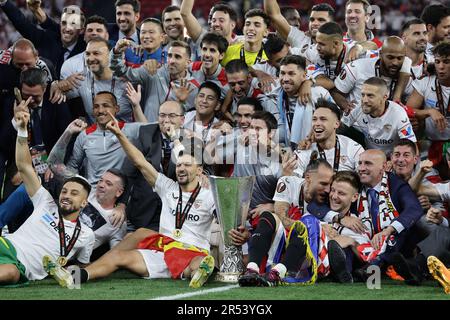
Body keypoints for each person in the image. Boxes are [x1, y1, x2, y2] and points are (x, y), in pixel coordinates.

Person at [45, 114, 216, 289]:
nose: (181, 168)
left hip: (192, 251)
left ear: (200, 170)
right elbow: (140, 162)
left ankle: (198, 273)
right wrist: (120, 135)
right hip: (162, 250)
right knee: (120, 254)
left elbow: (224, 220)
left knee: (198, 262)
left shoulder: (210, 193)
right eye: (179, 165)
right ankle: (74, 277)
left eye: (187, 165)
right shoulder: (168, 187)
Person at [0, 101, 94, 287]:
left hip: (18, 267)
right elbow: (25, 167)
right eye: (65, 191)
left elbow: (85, 265)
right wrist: (22, 131)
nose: (66, 195)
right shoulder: (45, 201)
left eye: (74, 193)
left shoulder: (86, 234)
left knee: (9, 273)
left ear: (84, 203)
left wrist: (70, 276)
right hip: (6, 245)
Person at [352, 149, 423, 279]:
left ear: (383, 167)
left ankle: (376, 264)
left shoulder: (397, 185)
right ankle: (344, 272)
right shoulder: (353, 181)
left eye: (368, 163)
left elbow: (414, 209)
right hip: (364, 240)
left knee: (399, 229)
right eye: (360, 163)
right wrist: (339, 218)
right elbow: (320, 202)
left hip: (396, 244)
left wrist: (388, 230)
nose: (361, 168)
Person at [49, 91, 141, 186]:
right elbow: (60, 165)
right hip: (93, 195)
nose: (100, 110)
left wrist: (136, 106)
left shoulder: (131, 130)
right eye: (96, 107)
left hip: (123, 194)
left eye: (106, 105)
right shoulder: (84, 135)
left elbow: (153, 132)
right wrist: (68, 131)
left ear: (116, 108)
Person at [111, 39, 199, 122]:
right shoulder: (153, 71)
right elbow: (121, 72)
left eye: (177, 57)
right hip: (147, 131)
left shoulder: (193, 88)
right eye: (169, 56)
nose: (171, 60)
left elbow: (191, 121)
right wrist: (116, 53)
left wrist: (181, 102)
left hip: (174, 136)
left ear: (188, 62)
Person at [0, 1, 86, 77]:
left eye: (73, 24)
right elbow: (23, 24)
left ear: (82, 30)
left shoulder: (86, 50)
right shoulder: (48, 38)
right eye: (64, 23)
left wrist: (45, 19)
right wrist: (5, 2)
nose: (67, 28)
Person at [65, 37, 133, 124]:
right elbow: (59, 94)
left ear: (109, 55)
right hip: (96, 136)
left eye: (96, 53)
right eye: (88, 54)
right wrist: (56, 85)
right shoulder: (80, 79)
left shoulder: (126, 80)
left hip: (126, 135)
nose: (91, 58)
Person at [340, 77, 417, 153]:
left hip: (391, 157)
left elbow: (410, 145)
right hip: (368, 152)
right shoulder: (357, 107)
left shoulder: (398, 114)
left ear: (384, 97)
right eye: (363, 95)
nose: (364, 100)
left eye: (370, 96)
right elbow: (340, 128)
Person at [406, 42, 450, 170]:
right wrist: (429, 111)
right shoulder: (425, 82)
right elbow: (407, 111)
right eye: (437, 61)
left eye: (446, 62)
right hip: (430, 142)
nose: (441, 67)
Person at [275, 55, 334, 147]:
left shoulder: (318, 93)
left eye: (291, 74)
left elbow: (338, 121)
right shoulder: (276, 94)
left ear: (303, 75)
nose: (285, 79)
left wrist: (318, 133)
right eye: (282, 73)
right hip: (293, 151)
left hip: (319, 150)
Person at [294, 99, 364, 177]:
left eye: (323, 119)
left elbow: (365, 180)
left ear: (337, 124)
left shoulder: (353, 148)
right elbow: (294, 182)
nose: (317, 123)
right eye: (314, 119)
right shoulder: (304, 150)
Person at [264, 0, 334, 62]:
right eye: (312, 20)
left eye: (321, 20)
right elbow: (274, 15)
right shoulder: (300, 39)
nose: (314, 23)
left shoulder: (341, 45)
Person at [189, 32, 229, 99]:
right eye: (204, 49)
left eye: (212, 50)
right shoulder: (190, 68)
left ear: (221, 56)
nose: (207, 55)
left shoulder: (227, 80)